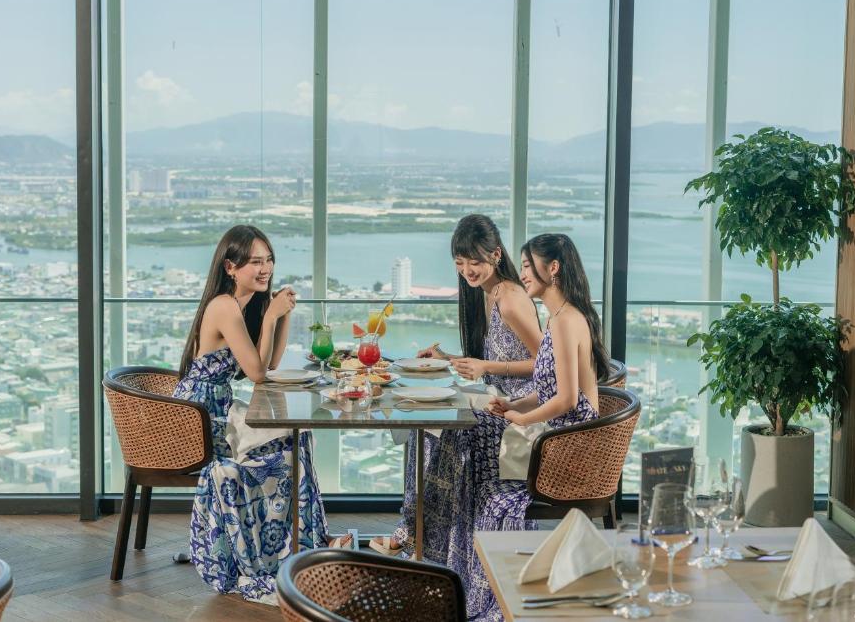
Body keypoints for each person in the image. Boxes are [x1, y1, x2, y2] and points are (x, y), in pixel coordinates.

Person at [172, 224, 349, 605]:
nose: (265, 268)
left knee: (297, 438)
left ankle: (306, 544)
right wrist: (270, 317)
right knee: (282, 452)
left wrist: (280, 317)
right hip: (200, 416)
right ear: (231, 267)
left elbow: (270, 364)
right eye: (255, 261)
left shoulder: (244, 303)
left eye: (268, 260)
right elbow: (255, 373)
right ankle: (280, 556)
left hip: (218, 407)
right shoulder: (223, 305)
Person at [372, 214, 543, 564]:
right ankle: (419, 534)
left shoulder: (511, 299)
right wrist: (448, 359)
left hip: (522, 409)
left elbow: (546, 365)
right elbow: (491, 359)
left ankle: (419, 537)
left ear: (496, 254)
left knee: (446, 428)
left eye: (474, 261)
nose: (467, 270)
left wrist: (486, 368)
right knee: (424, 422)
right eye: (460, 263)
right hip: (498, 401)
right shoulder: (487, 293)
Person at [468, 232, 608, 621]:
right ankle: (502, 596)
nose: (523, 273)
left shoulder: (566, 322)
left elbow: (566, 400)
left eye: (529, 265)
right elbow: (548, 388)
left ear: (554, 268)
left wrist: (521, 419)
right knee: (488, 480)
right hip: (557, 441)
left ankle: (503, 604)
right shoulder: (558, 318)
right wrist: (512, 405)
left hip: (570, 451)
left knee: (492, 496)